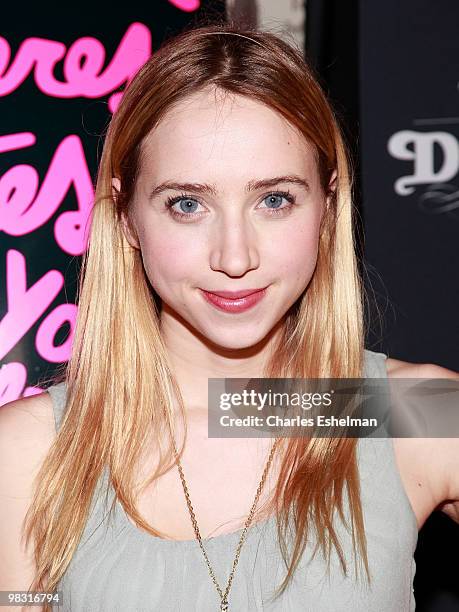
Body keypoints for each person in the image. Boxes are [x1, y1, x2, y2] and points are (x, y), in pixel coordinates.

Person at [1, 21, 458, 612]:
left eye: (274, 200)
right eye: (187, 204)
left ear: (327, 206)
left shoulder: (405, 411)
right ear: (127, 218)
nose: (235, 257)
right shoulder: (32, 451)